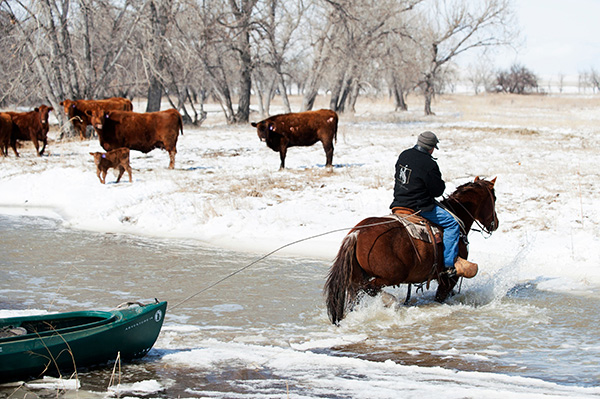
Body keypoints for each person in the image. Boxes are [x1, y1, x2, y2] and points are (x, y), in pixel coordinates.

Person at [390, 131, 477, 278]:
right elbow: (438, 191)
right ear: (431, 148)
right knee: (452, 224)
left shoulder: (404, 155)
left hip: (398, 203)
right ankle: (449, 265)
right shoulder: (429, 164)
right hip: (419, 207)